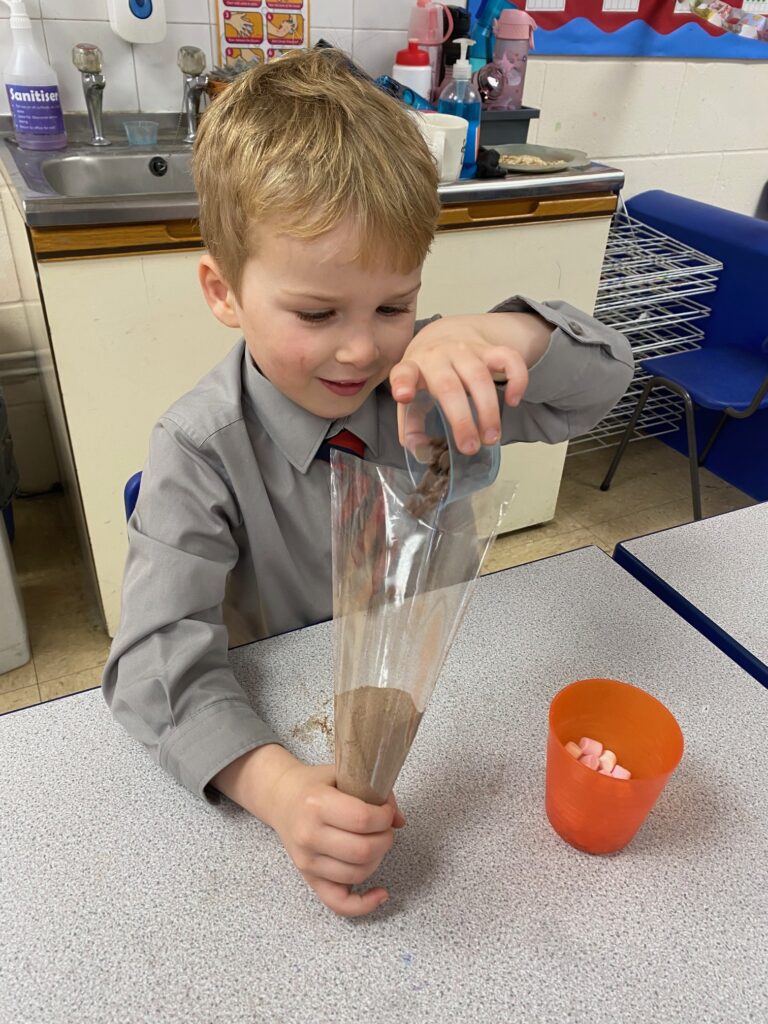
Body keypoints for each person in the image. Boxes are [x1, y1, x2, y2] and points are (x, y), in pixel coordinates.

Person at [102, 48, 634, 918]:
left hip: (456, 702)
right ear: (224, 292)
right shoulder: (198, 450)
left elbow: (604, 385)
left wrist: (501, 332)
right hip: (291, 715)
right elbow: (154, 666)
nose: (361, 350)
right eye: (316, 314)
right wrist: (275, 790)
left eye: (393, 306)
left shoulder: (429, 378)